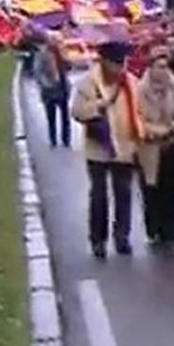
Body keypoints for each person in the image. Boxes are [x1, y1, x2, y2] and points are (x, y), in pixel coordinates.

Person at [71, 41, 142, 259]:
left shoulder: (131, 83)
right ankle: (98, 240)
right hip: (99, 148)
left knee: (124, 194)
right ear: (104, 62)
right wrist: (98, 106)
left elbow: (140, 110)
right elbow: (77, 111)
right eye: (115, 63)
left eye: (122, 63)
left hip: (125, 146)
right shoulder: (88, 83)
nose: (119, 68)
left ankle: (122, 237)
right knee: (99, 195)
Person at [136, 44, 174, 247]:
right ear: (150, 68)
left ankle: (170, 230)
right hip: (149, 147)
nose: (162, 71)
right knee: (151, 190)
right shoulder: (140, 90)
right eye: (158, 66)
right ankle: (153, 229)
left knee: (170, 191)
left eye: (165, 66)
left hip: (171, 146)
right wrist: (157, 131)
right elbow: (138, 119)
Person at [34, 34, 72, 149]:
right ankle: (53, 140)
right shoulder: (42, 54)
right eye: (54, 41)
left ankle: (66, 140)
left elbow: (68, 67)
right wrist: (46, 84)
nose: (56, 43)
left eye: (57, 41)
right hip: (49, 90)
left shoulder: (61, 53)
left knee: (65, 117)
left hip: (62, 88)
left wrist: (66, 59)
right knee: (51, 117)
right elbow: (38, 71)